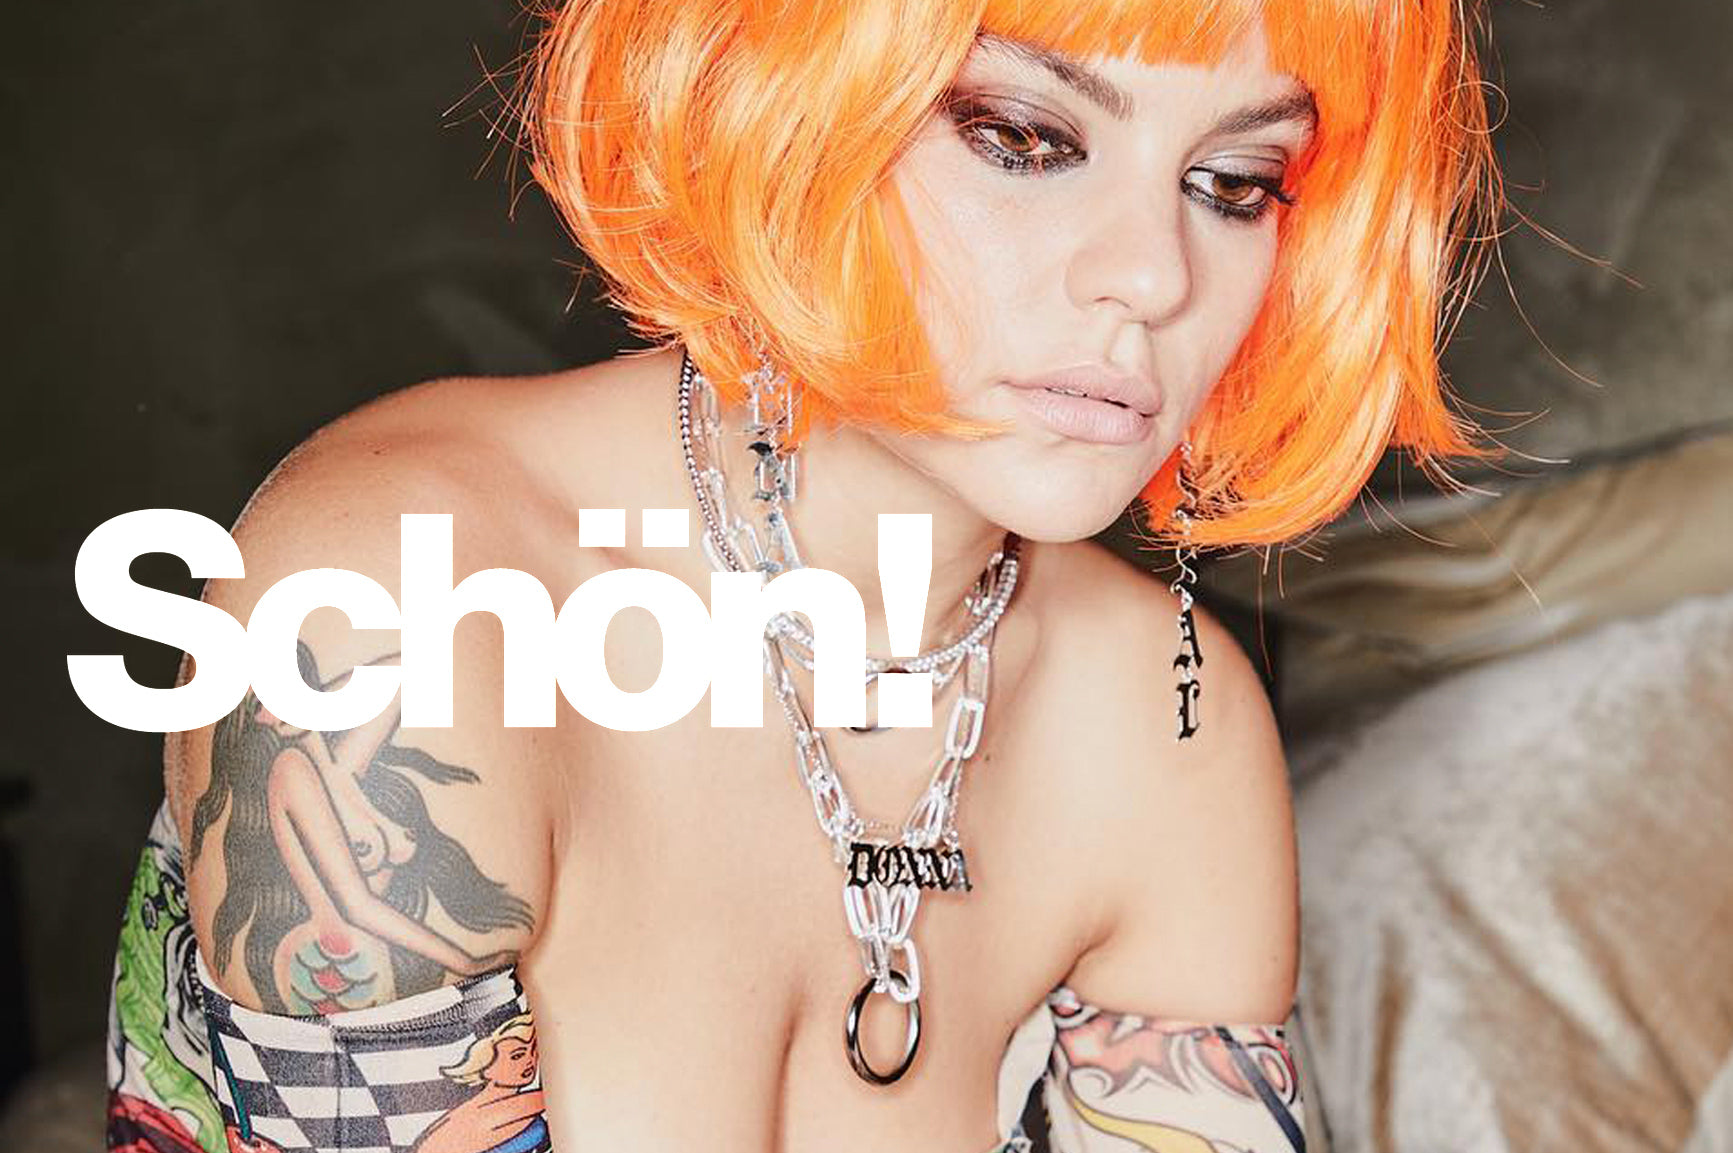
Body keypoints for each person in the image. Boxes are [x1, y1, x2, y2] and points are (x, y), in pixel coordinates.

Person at [104, 0, 1504, 1149]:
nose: (1151, 277)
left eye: (1233, 184)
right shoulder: (392, 600)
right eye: (1022, 138)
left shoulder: (1168, 724)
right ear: (783, 108)